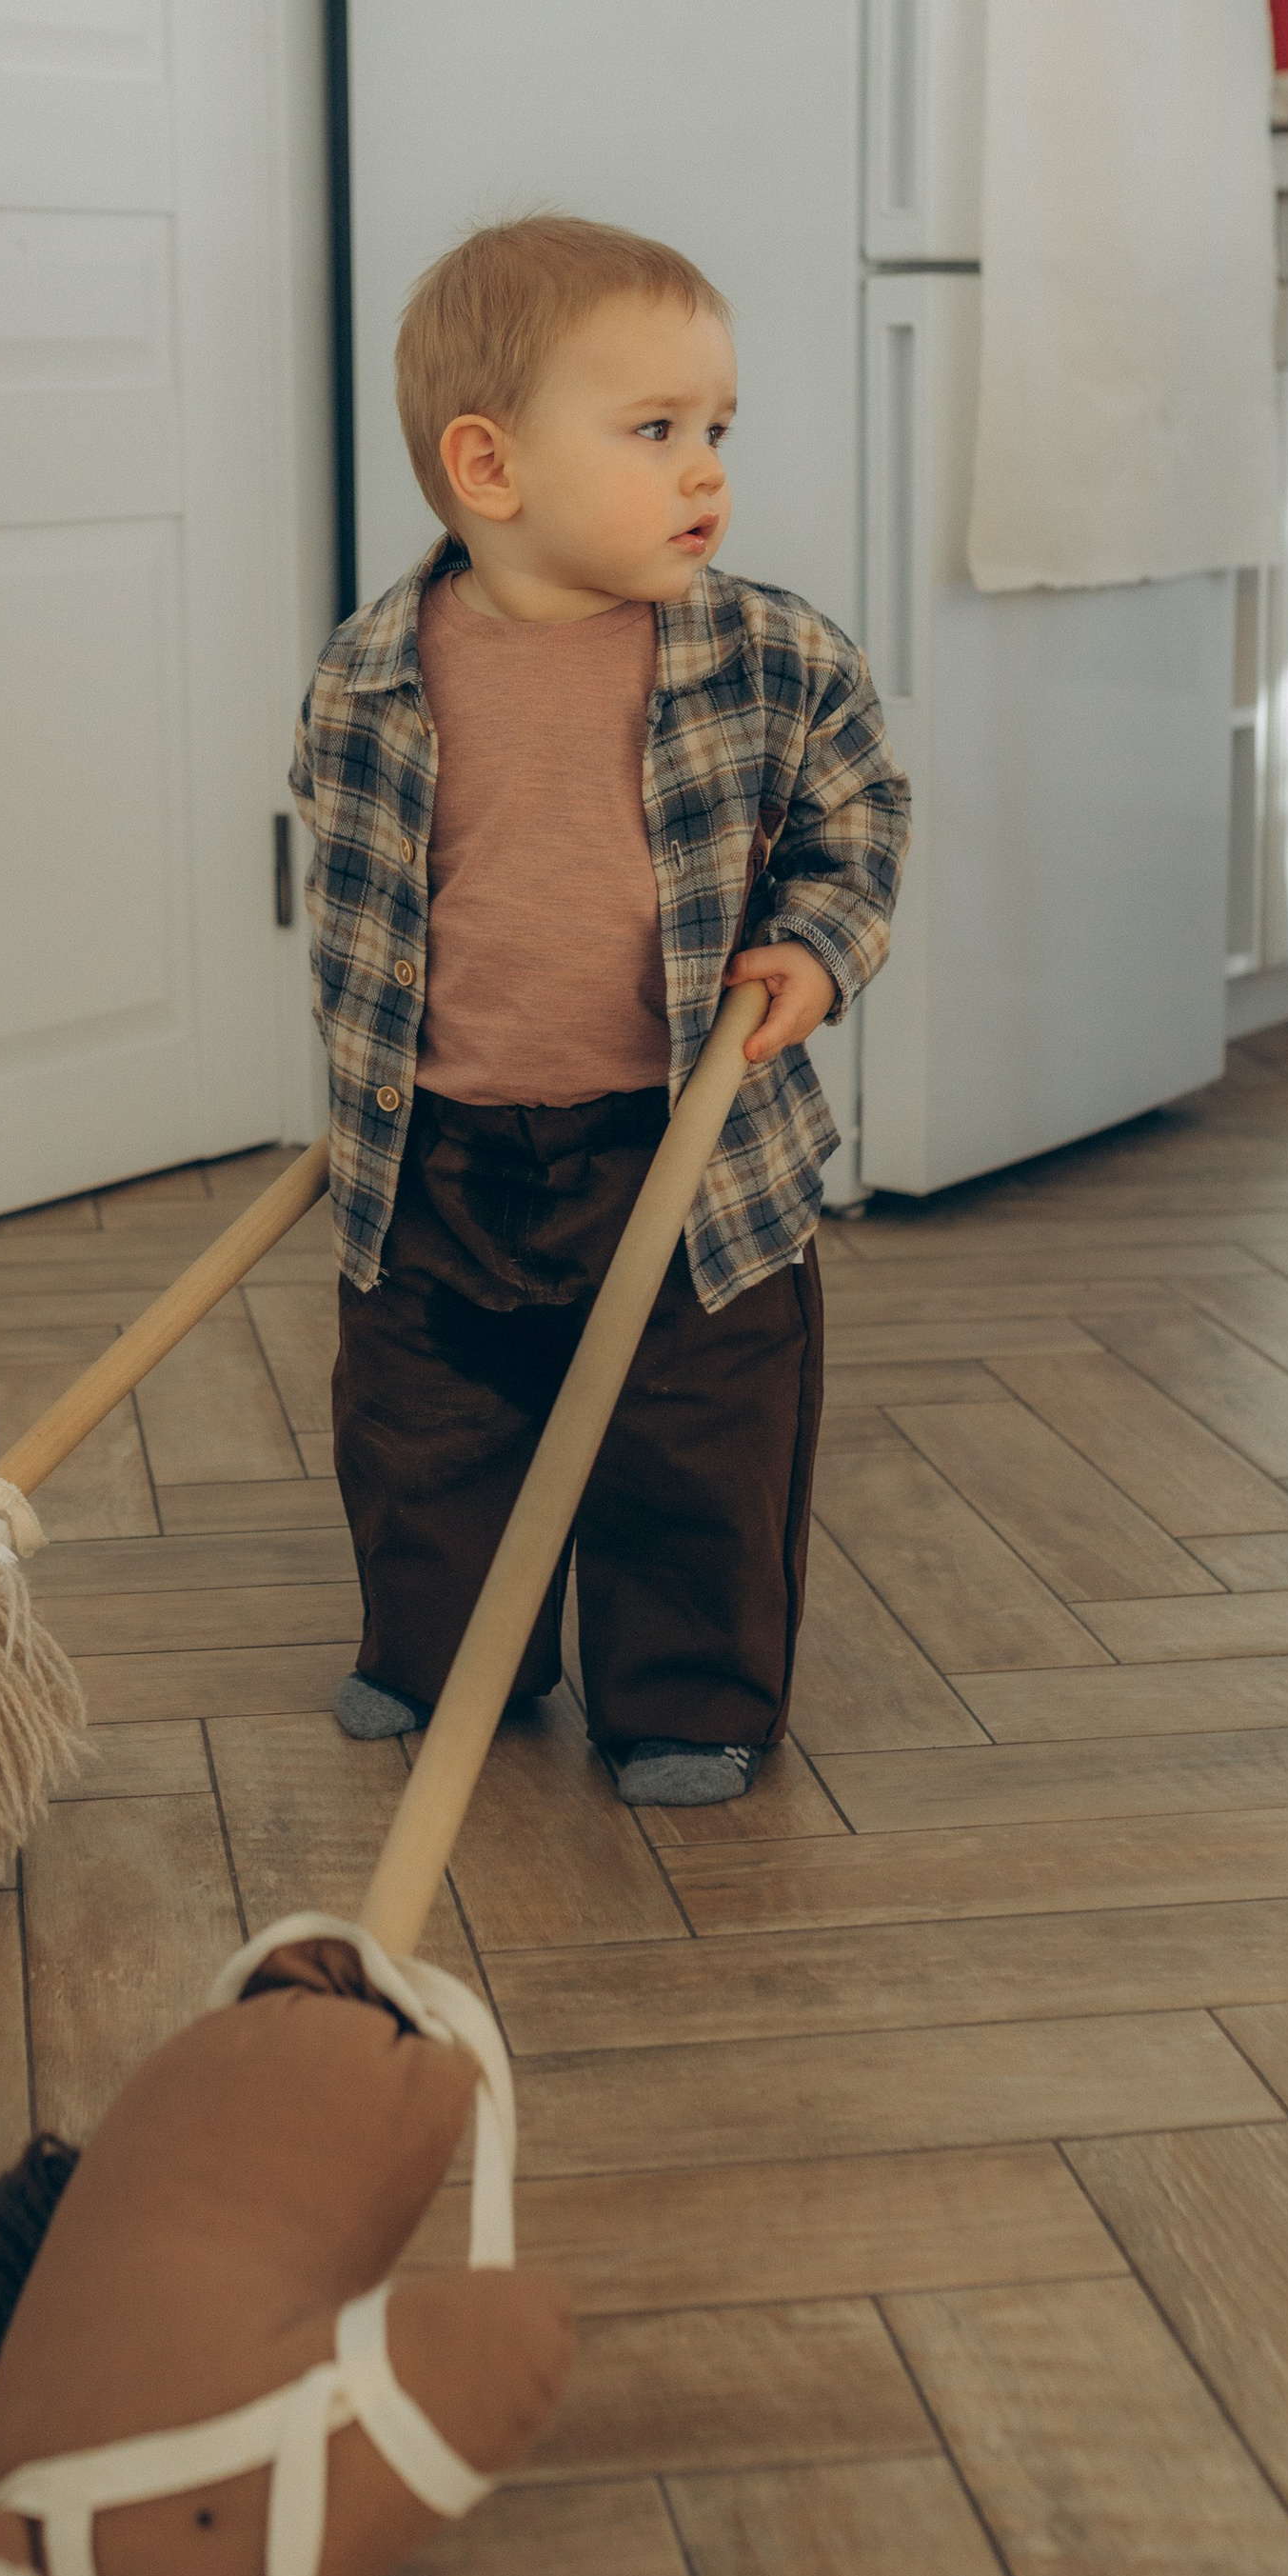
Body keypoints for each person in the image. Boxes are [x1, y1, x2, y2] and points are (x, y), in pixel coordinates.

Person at [288, 214, 910, 1807]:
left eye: (715, 430)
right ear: (488, 470)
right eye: (654, 431)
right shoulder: (368, 675)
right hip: (435, 1151)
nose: (705, 468)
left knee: (696, 1440)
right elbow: (358, 892)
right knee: (423, 1435)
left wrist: (819, 949)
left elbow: (858, 828)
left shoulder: (773, 660)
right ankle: (445, 1654)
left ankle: (688, 1694)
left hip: (681, 1152)